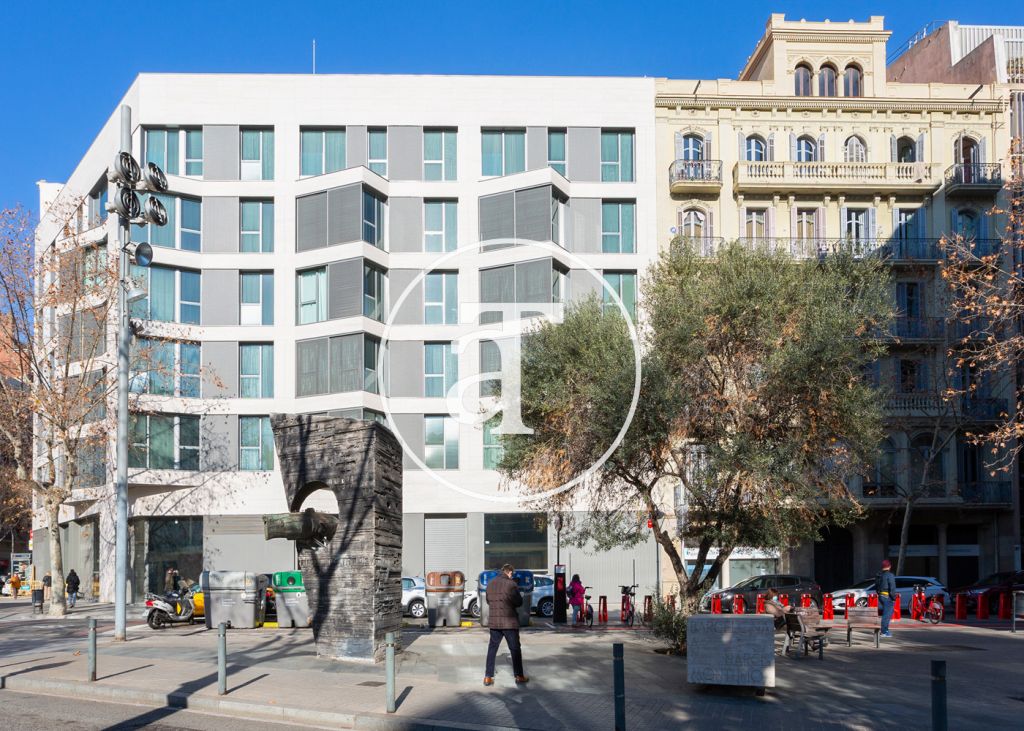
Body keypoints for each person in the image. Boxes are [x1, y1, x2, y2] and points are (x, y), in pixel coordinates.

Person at [483, 564, 528, 687]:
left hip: (494, 623)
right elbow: (518, 602)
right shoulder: (511, 584)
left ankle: (488, 676)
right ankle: (519, 676)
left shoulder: (490, 584)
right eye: (512, 574)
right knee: (515, 649)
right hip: (509, 622)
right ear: (509, 572)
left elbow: (488, 601)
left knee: (492, 649)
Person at [875, 559, 897, 638]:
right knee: (887, 615)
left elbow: (876, 586)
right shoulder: (890, 575)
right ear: (889, 566)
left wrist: (879, 594)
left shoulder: (879, 575)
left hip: (881, 596)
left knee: (886, 614)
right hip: (887, 597)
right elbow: (892, 587)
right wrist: (893, 597)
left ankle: (886, 630)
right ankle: (884, 632)